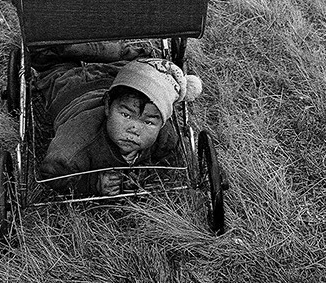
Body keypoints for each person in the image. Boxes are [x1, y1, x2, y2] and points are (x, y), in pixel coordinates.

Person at [36, 53, 202, 197]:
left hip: (117, 76)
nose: (134, 128)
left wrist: (143, 173)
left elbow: (169, 160)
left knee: (130, 63)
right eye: (126, 115)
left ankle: (114, 53)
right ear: (107, 107)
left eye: (148, 122)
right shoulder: (73, 147)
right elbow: (51, 174)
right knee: (54, 64)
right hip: (71, 89)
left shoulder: (165, 137)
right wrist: (92, 183)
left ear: (162, 123)